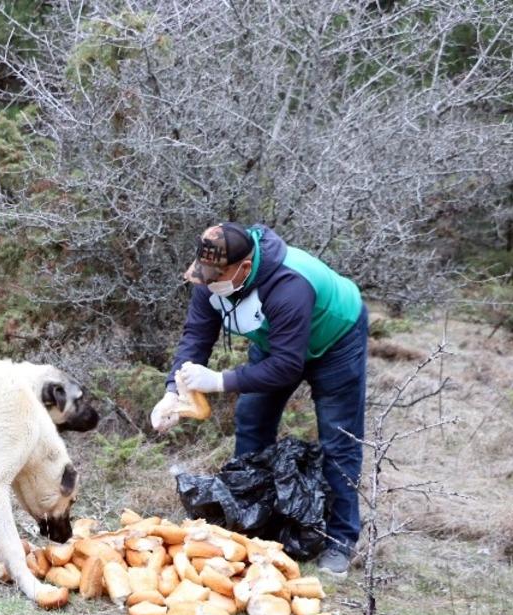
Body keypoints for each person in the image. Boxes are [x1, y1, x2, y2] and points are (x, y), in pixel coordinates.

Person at [150, 222, 367, 578]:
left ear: (244, 268)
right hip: (277, 343)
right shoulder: (211, 279)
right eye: (205, 274)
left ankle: (339, 541)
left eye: (217, 276)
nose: (208, 282)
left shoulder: (288, 285)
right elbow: (196, 336)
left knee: (338, 439)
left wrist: (219, 380)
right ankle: (248, 525)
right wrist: (173, 392)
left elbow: (285, 367)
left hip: (336, 340)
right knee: (252, 421)